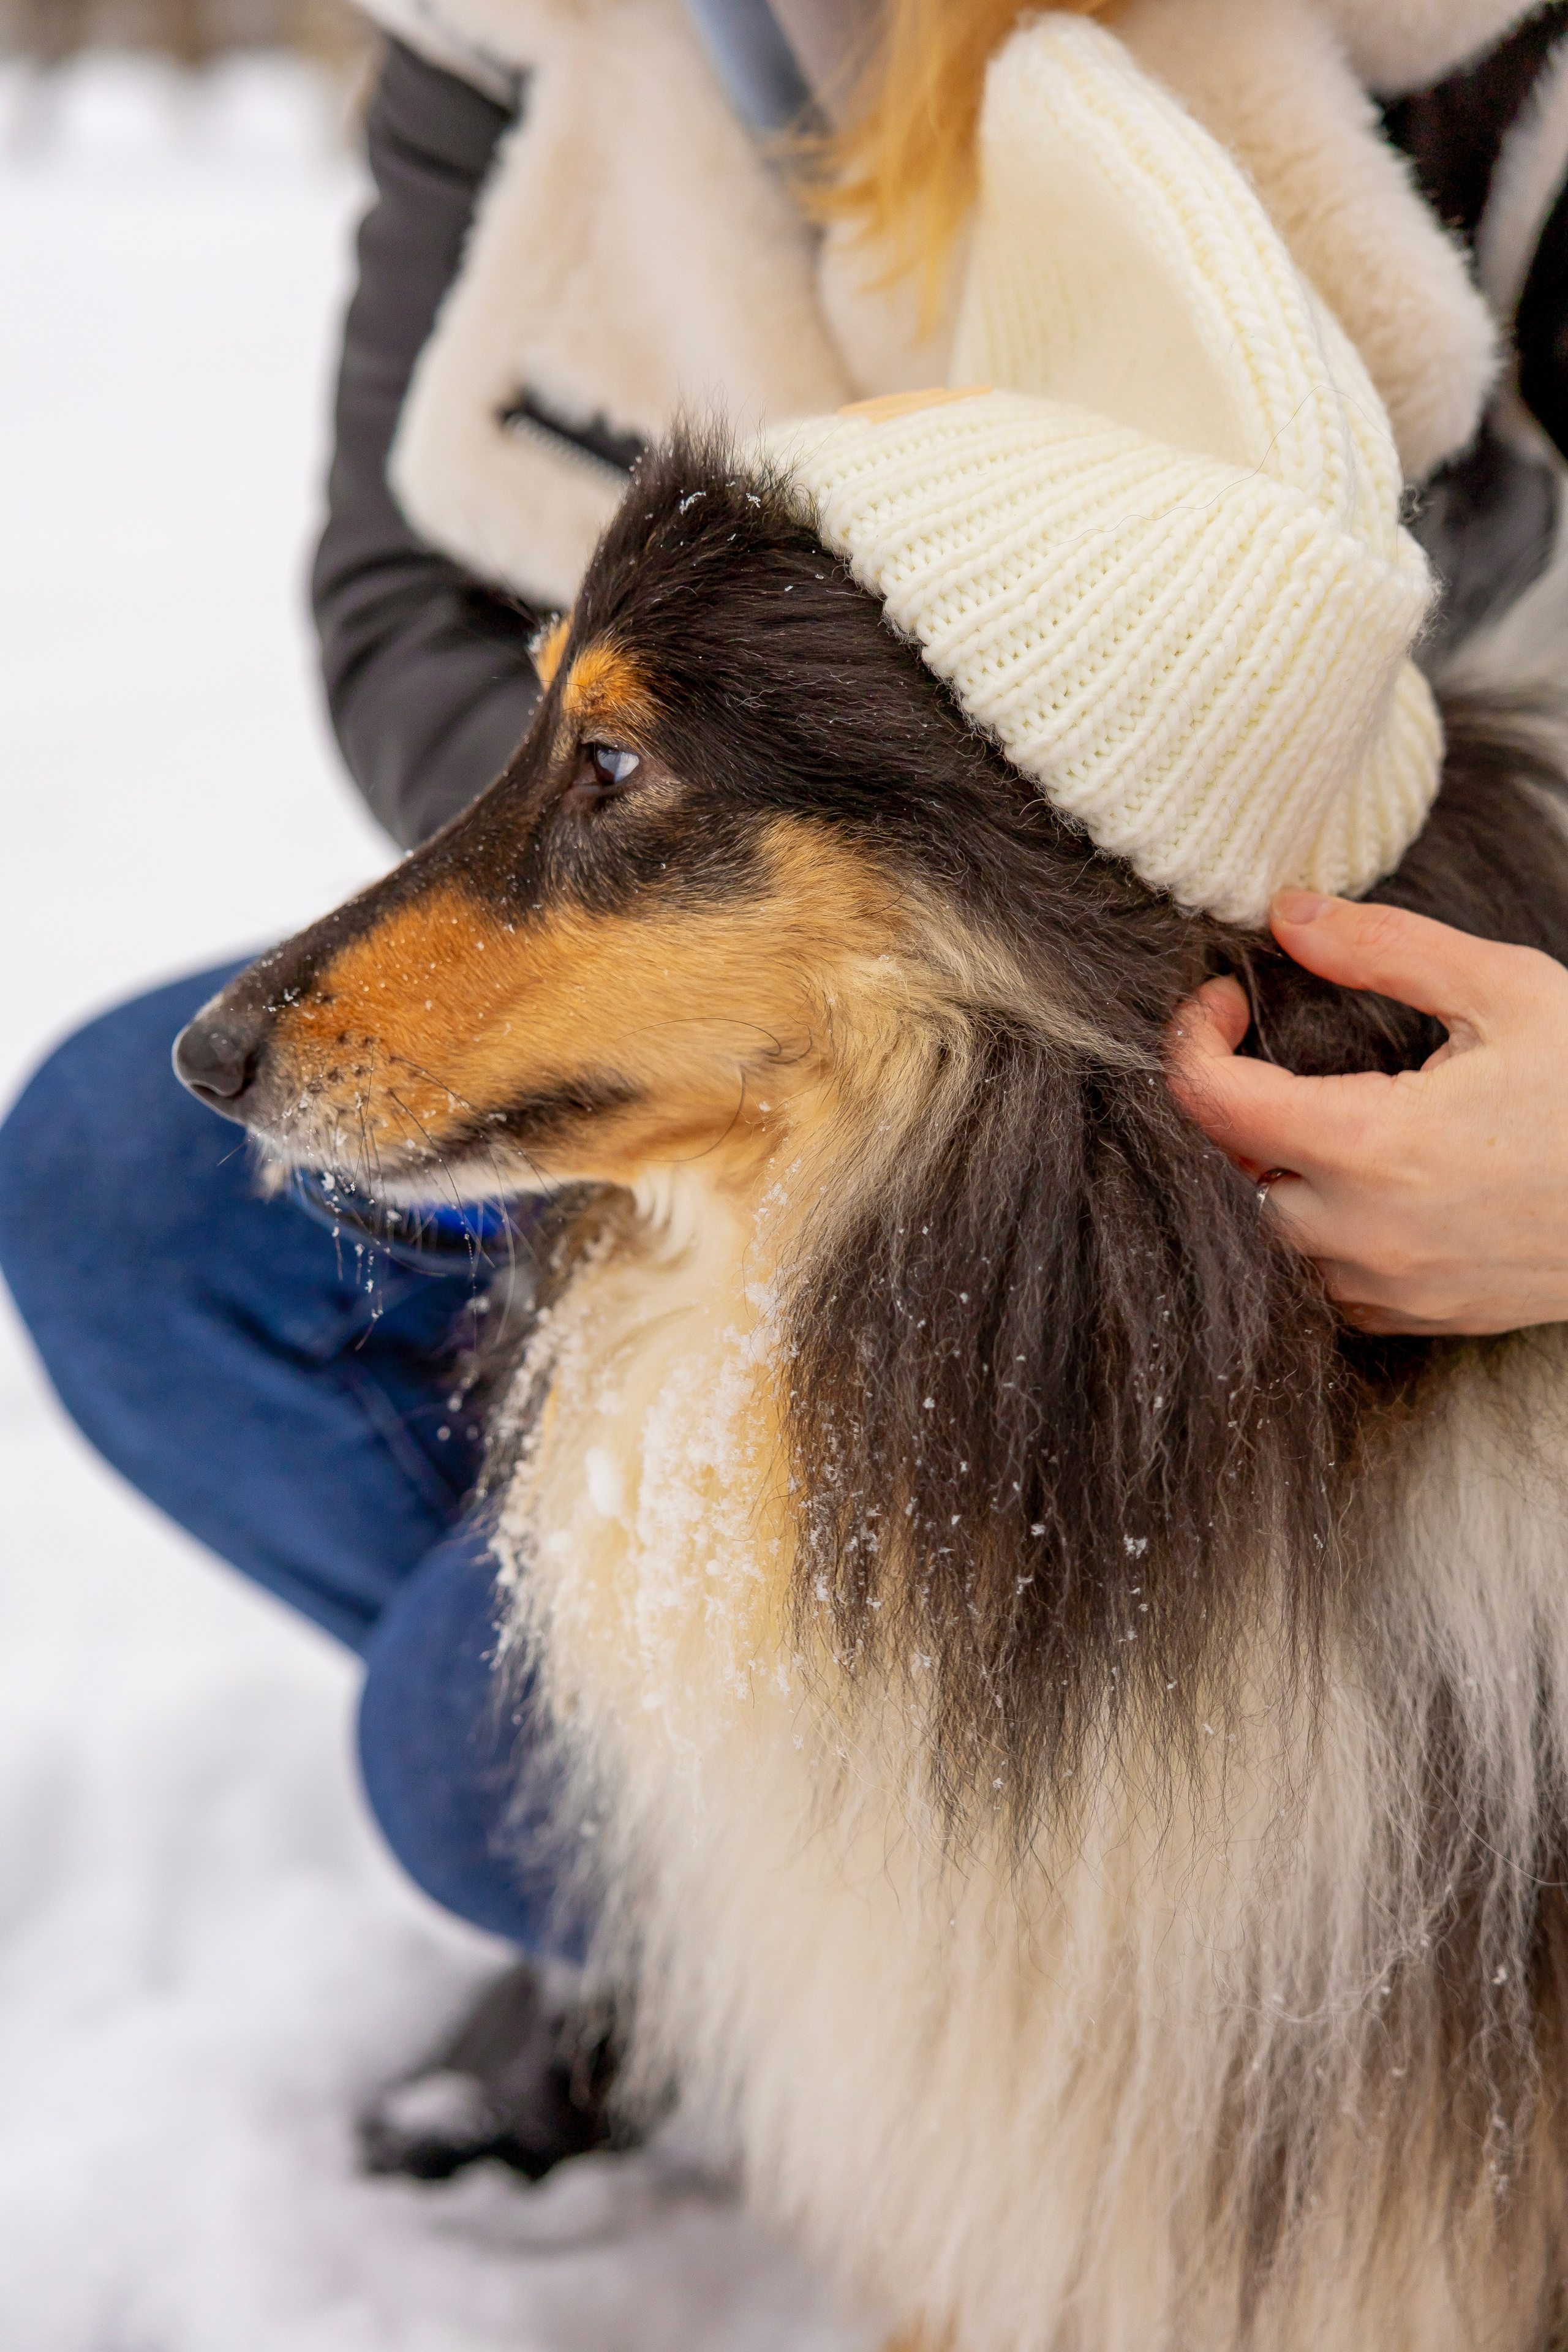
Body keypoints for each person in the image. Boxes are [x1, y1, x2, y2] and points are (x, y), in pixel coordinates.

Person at [0, 0, 1564, 2184]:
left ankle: (1044, 1978)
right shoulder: (515, 32)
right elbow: (394, 595)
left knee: (494, 1745)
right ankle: (807, 1930)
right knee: (115, 1171)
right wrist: (639, 786)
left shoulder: (1469, 42)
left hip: (1326, 1008)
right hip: (809, 982)